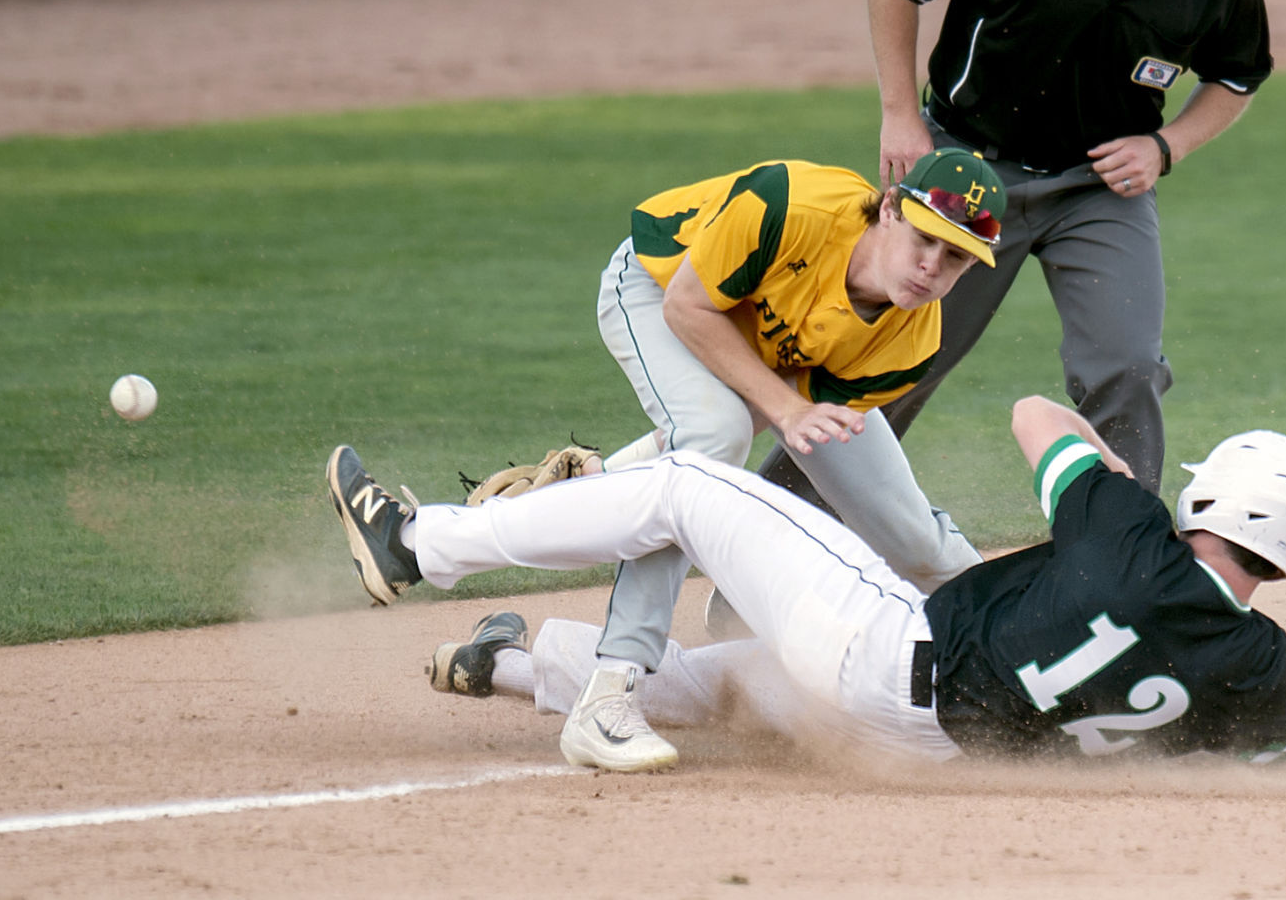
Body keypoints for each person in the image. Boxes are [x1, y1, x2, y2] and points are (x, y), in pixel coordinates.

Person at [342, 149, 1006, 769]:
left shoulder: (913, 340)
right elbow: (690, 308)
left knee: (914, 536)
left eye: (956, 258)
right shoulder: (790, 204)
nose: (931, 267)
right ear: (889, 207)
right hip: (659, 289)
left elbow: (798, 421)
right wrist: (781, 407)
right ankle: (609, 692)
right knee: (712, 442)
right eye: (924, 239)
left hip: (766, 355)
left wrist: (769, 456)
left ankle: (1014, 669)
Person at [760, 0, 1270, 501]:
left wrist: (1167, 146)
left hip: (1096, 189)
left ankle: (1123, 555)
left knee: (1125, 366)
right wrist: (901, 113)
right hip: (968, 168)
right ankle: (775, 526)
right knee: (896, 360)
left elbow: (1238, 74)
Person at [326, 394, 1286, 771]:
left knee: (682, 481)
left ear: (1214, 504)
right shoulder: (1259, 663)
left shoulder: (1134, 534)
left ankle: (419, 543)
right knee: (730, 684)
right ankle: (502, 660)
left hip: (888, 647)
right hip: (934, 746)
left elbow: (1036, 412)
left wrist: (1116, 483)